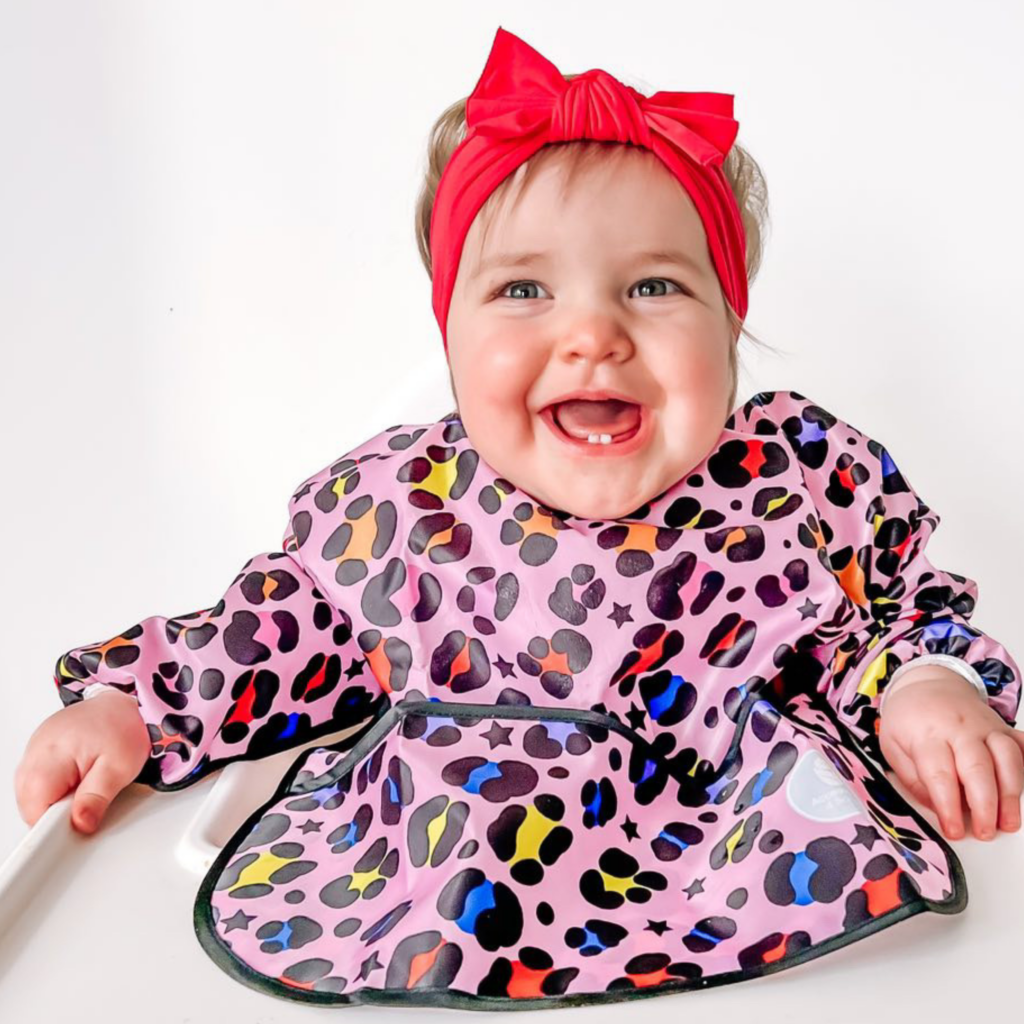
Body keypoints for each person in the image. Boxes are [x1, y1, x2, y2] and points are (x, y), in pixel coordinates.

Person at [14, 25, 1023, 1008]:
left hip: (748, 870)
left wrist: (923, 685)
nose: (592, 333)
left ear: (730, 324)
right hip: (449, 877)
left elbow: (879, 620)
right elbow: (277, 634)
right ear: (449, 330)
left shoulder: (782, 490)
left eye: (656, 285)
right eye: (524, 288)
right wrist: (137, 709)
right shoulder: (405, 512)